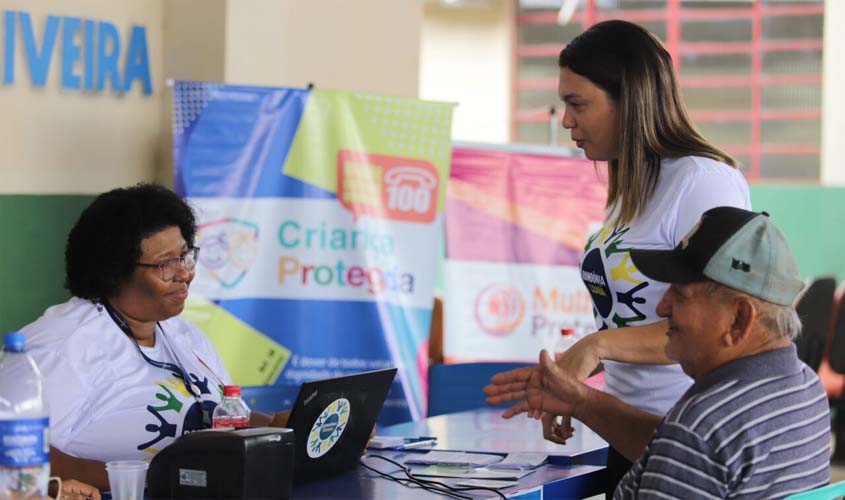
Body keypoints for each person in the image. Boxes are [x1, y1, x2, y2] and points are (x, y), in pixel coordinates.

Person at [520, 19, 752, 493]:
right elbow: (638, 317)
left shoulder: (703, 182)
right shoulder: (629, 188)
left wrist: (596, 346)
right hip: (626, 431)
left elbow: (722, 325)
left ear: (630, 100)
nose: (566, 120)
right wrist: (570, 381)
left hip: (684, 436)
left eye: (576, 103)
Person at [486, 207, 830, 498]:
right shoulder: (804, 388)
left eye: (680, 295)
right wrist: (581, 402)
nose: (663, 307)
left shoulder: (702, 429)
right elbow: (683, 453)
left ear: (739, 318)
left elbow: (693, 446)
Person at [21, 184, 290, 491]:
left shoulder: (185, 335)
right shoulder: (62, 346)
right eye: (165, 264)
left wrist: (276, 428)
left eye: (186, 256)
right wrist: (150, 479)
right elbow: (14, 449)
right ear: (114, 271)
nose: (184, 273)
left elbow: (217, 414)